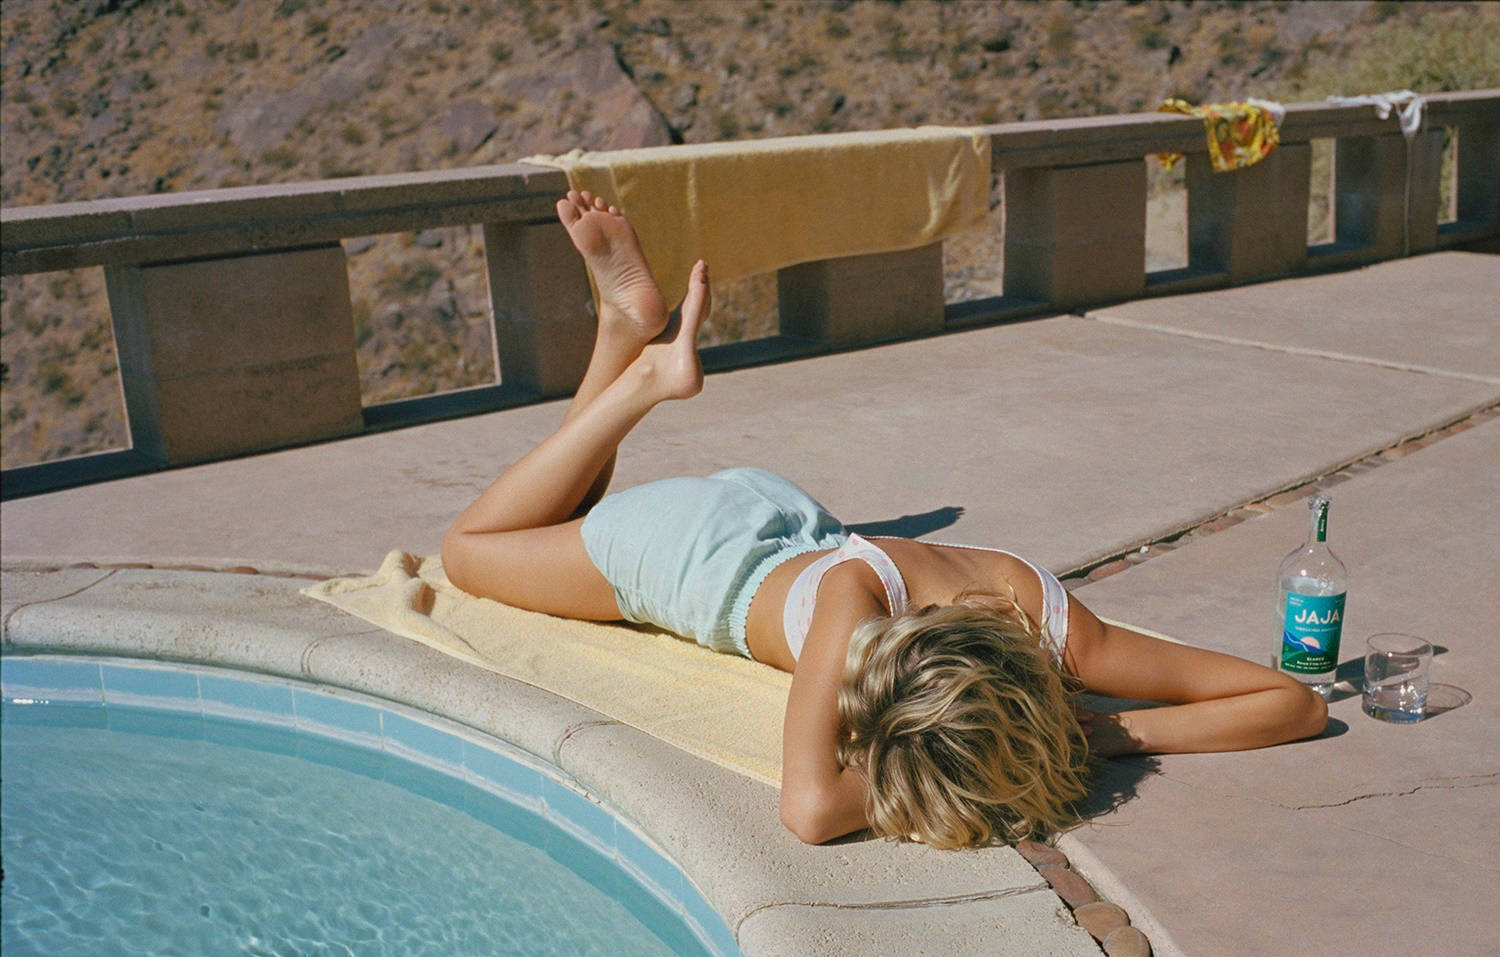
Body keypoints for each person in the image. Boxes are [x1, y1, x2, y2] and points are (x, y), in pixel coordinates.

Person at [442, 192, 1328, 849]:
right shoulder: (851, 611)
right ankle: (640, 375)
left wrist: (1115, 732)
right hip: (689, 556)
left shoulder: (1049, 621)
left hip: (782, 521)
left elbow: (1291, 703)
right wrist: (1012, 761)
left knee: (564, 513)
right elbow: (811, 810)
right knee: (470, 552)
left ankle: (621, 329)